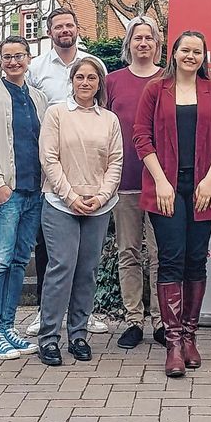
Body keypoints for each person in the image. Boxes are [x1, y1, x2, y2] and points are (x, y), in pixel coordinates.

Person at [133, 30, 211, 377]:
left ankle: (190, 336)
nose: (191, 56)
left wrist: (210, 179)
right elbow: (141, 137)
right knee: (171, 260)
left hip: (203, 187)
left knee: (196, 260)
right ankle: (173, 342)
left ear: (204, 57)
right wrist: (161, 181)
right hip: (166, 187)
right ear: (174, 54)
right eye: (185, 50)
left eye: (197, 51)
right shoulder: (155, 90)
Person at [25, 7, 109, 336]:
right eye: (58, 26)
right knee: (52, 252)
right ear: (50, 32)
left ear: (77, 29)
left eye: (69, 25)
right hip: (53, 167)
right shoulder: (37, 68)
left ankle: (82, 315)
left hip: (89, 168)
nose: (64, 30)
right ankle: (48, 313)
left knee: (85, 258)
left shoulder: (90, 64)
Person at [38, 57, 123, 366]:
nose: (86, 83)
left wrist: (100, 197)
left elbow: (115, 162)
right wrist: (71, 196)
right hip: (61, 204)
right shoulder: (57, 113)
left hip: (99, 206)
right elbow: (49, 158)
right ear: (71, 81)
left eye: (92, 78)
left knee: (87, 272)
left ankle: (78, 335)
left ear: (99, 83)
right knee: (61, 268)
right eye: (80, 77)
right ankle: (48, 338)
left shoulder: (109, 120)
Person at [0, 36, 48, 360]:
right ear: (1, 61)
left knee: (19, 262)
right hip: (5, 193)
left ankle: (7, 328)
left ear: (29, 59)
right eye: (7, 56)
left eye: (19, 56)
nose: (13, 61)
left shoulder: (39, 98)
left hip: (34, 192)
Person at [106, 17, 165, 349]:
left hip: (160, 183)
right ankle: (133, 320)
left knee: (159, 254)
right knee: (127, 252)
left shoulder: (167, 80)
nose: (143, 43)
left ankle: (160, 320)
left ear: (158, 44)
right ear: (128, 44)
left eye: (149, 38)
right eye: (137, 38)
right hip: (124, 180)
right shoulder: (113, 82)